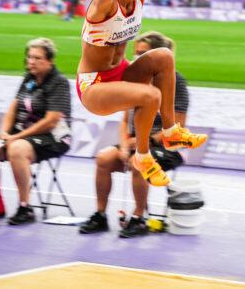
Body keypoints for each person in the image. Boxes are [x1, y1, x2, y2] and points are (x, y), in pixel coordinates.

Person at [45, 0, 236, 187]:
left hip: (120, 73)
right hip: (95, 86)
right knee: (150, 96)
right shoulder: (103, 6)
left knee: (163, 56)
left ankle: (172, 131)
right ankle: (143, 157)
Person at [80, 31, 188, 238]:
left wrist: (142, 142)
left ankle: (139, 218)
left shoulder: (175, 82)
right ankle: (100, 215)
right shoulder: (135, 78)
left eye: (143, 54)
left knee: (140, 163)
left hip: (165, 145)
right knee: (103, 159)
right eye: (137, 53)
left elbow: (178, 125)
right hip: (135, 142)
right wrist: (123, 143)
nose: (138, 59)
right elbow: (124, 120)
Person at [0, 37, 72, 225]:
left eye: (37, 58)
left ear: (50, 61)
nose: (31, 62)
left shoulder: (59, 82)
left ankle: (24, 207)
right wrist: (4, 133)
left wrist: (15, 137)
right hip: (21, 134)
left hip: (52, 138)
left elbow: (51, 121)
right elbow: (12, 109)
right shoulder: (28, 79)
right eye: (29, 57)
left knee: (17, 148)